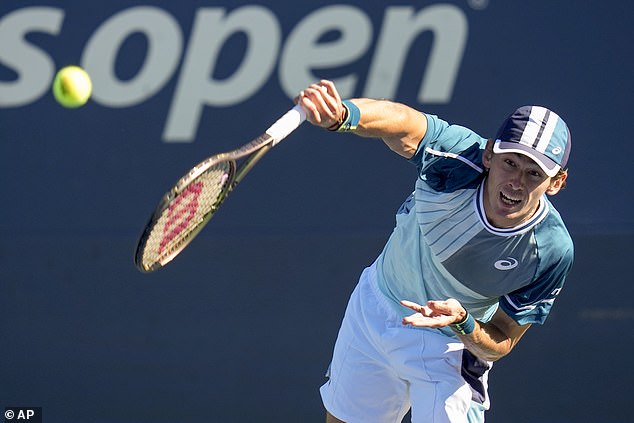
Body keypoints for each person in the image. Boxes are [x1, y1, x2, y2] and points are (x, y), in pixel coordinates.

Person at [295, 80, 573, 423]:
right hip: (376, 305)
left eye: (534, 173)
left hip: (451, 348)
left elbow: (502, 339)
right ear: (489, 154)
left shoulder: (550, 250)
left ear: (556, 182)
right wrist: (343, 115)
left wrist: (463, 322)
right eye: (510, 163)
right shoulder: (457, 160)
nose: (516, 182)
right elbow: (404, 121)